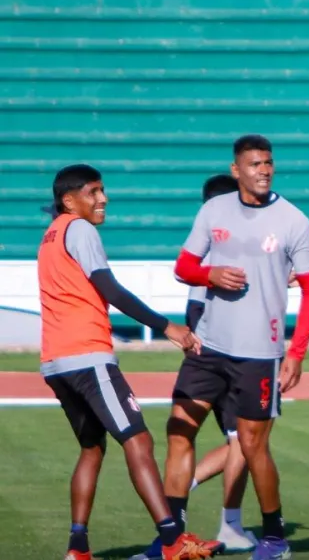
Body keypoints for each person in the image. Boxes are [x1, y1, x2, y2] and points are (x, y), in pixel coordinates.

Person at [38, 164, 223, 560]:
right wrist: (165, 326)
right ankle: (173, 540)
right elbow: (108, 287)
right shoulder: (79, 228)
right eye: (93, 192)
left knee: (91, 449)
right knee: (137, 439)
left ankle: (78, 547)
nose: (103, 199)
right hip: (87, 356)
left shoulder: (50, 236)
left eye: (103, 190)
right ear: (69, 200)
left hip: (56, 361)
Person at [167, 134, 309, 560]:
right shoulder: (213, 210)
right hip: (209, 346)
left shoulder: (294, 221)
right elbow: (183, 266)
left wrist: (296, 353)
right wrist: (209, 275)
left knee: (253, 445)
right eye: (255, 164)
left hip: (260, 352)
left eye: (268, 163)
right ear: (236, 170)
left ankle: (274, 537)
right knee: (179, 431)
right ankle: (171, 540)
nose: (264, 170)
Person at [131, 174, 258, 560]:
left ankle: (223, 527)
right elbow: (192, 289)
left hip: (238, 353)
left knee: (242, 441)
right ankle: (180, 536)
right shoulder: (208, 240)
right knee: (188, 434)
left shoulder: (242, 240)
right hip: (209, 351)